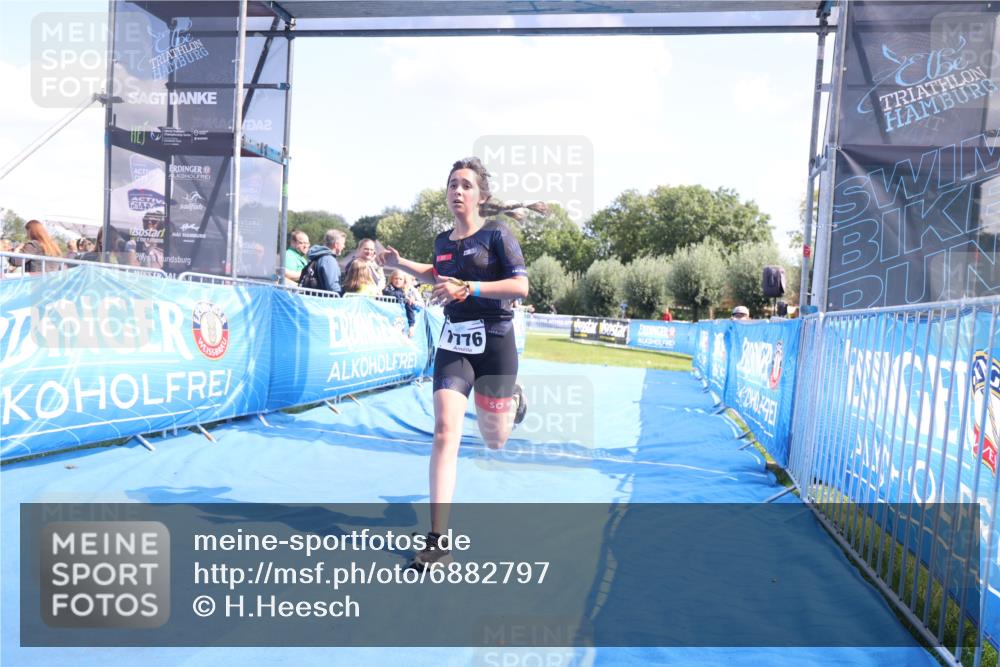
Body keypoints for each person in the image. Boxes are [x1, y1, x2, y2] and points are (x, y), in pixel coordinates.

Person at [378, 157, 532, 570]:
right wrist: (400, 265)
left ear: (481, 196)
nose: (457, 191)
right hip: (455, 343)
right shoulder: (444, 242)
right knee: (446, 430)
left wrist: (471, 287)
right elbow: (437, 272)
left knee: (495, 439)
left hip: (497, 342)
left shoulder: (498, 235)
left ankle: (513, 402)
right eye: (451, 185)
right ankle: (438, 540)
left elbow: (521, 286)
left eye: (465, 185)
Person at [302, 229, 346, 293]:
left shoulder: (317, 256)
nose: (344, 246)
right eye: (343, 244)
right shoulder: (329, 259)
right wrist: (343, 297)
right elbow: (332, 286)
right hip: (323, 301)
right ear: (336, 245)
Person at [383, 269, 417, 337]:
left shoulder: (406, 291)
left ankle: (411, 327)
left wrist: (412, 300)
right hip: (388, 319)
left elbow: (410, 309)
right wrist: (404, 297)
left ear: (404, 281)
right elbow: (389, 293)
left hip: (401, 320)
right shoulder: (388, 288)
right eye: (396, 278)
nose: (398, 281)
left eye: (400, 279)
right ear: (392, 279)